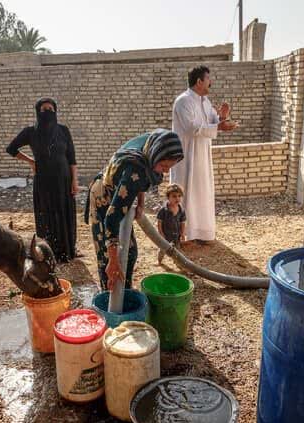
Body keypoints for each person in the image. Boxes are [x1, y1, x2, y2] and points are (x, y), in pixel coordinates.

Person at [86, 129, 183, 290]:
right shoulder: (135, 171)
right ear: (155, 154)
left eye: (170, 167)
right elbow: (111, 218)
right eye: (164, 165)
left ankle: (124, 291)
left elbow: (142, 178)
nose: (166, 171)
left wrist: (141, 203)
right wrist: (113, 260)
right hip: (103, 196)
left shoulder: (152, 145)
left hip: (121, 191)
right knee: (108, 258)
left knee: (130, 253)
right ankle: (110, 297)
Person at [170, 65, 238, 244]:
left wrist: (223, 118)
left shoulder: (205, 102)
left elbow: (214, 123)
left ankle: (201, 233)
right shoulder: (183, 101)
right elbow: (192, 128)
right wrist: (219, 126)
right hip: (185, 156)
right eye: (208, 79)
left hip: (202, 156)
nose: (211, 82)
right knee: (184, 192)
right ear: (199, 81)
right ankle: (182, 234)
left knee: (202, 192)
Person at [6, 97, 79, 262]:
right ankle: (49, 251)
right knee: (47, 213)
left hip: (63, 180)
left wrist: (75, 181)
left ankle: (68, 249)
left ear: (56, 111)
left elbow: (72, 158)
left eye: (51, 109)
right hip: (44, 181)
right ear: (38, 112)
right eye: (44, 109)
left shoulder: (63, 130)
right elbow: (11, 149)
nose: (48, 112)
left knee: (64, 212)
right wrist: (30, 161)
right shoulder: (30, 132)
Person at [156, 183, 187, 264]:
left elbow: (182, 222)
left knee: (177, 250)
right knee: (162, 249)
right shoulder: (163, 210)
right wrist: (161, 233)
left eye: (179, 196)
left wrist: (183, 233)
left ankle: (176, 261)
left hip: (176, 235)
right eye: (174, 196)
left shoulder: (181, 210)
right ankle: (159, 261)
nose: (177, 198)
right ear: (168, 197)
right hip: (166, 235)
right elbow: (159, 223)